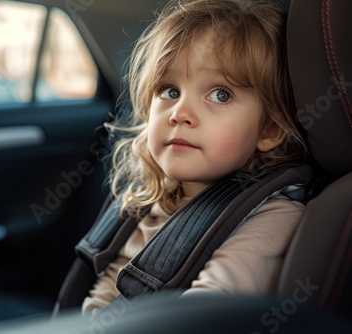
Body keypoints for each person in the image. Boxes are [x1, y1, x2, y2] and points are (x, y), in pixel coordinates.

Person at [82, 0, 308, 316]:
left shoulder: (271, 217)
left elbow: (205, 317)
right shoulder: (151, 197)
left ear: (269, 129)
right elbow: (107, 291)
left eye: (220, 95)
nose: (180, 113)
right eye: (170, 91)